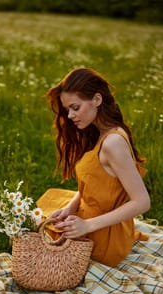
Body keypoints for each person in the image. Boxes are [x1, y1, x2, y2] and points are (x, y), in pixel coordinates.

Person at [38, 67, 151, 267]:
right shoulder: (98, 132)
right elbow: (93, 183)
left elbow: (142, 202)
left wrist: (86, 225)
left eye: (75, 107)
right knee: (46, 209)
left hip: (104, 236)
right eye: (67, 110)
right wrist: (69, 208)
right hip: (90, 212)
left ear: (97, 100)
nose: (71, 115)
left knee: (39, 228)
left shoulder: (112, 143)